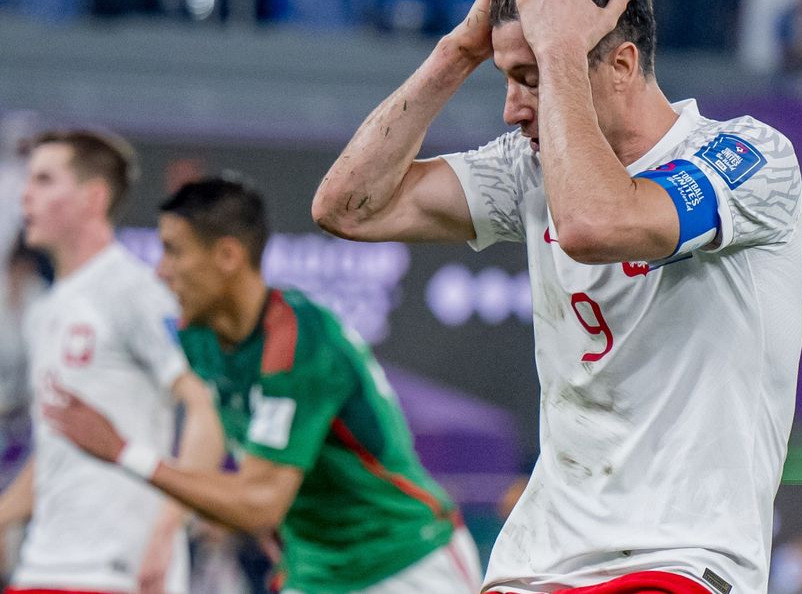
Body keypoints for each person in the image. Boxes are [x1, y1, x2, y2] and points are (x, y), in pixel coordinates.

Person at [311, 0, 802, 594]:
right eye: (509, 77)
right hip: (536, 561)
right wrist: (458, 50)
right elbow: (348, 208)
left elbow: (597, 224)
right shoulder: (532, 167)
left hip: (679, 559)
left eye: (533, 77)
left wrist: (563, 61)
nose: (513, 108)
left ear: (623, 65)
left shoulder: (749, 156)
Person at [47, 176, 481, 594]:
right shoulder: (198, 336)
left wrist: (126, 452)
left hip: (407, 562)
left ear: (228, 256)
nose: (161, 272)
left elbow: (258, 504)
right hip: (312, 573)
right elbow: (220, 431)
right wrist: (172, 525)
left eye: (173, 252)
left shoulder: (298, 343)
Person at [5, 129, 224, 594]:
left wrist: (169, 527)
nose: (26, 194)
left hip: (120, 571)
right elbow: (55, 448)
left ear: (93, 198)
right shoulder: (45, 309)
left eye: (44, 180)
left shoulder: (134, 291)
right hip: (43, 566)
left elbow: (205, 407)